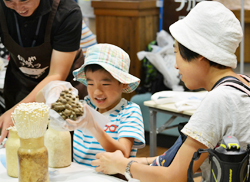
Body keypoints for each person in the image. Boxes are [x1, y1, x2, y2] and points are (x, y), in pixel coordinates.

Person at [90, 1, 250, 181]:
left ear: (199, 54)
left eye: (176, 53)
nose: (175, 65)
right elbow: (179, 161)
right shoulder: (243, 83)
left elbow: (174, 177)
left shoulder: (219, 100)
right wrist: (133, 162)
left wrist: (122, 165)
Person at [0, 0, 86, 144]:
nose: (19, 7)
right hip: (20, 86)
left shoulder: (66, 12)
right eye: (9, 1)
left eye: (24, 0)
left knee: (59, 148)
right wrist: (16, 110)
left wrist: (17, 112)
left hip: (62, 92)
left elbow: (56, 75)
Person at [66, 43, 145, 167]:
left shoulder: (129, 112)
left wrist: (94, 127)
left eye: (105, 84)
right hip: (78, 174)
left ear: (123, 84)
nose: (97, 92)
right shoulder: (86, 105)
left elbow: (123, 154)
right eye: (90, 84)